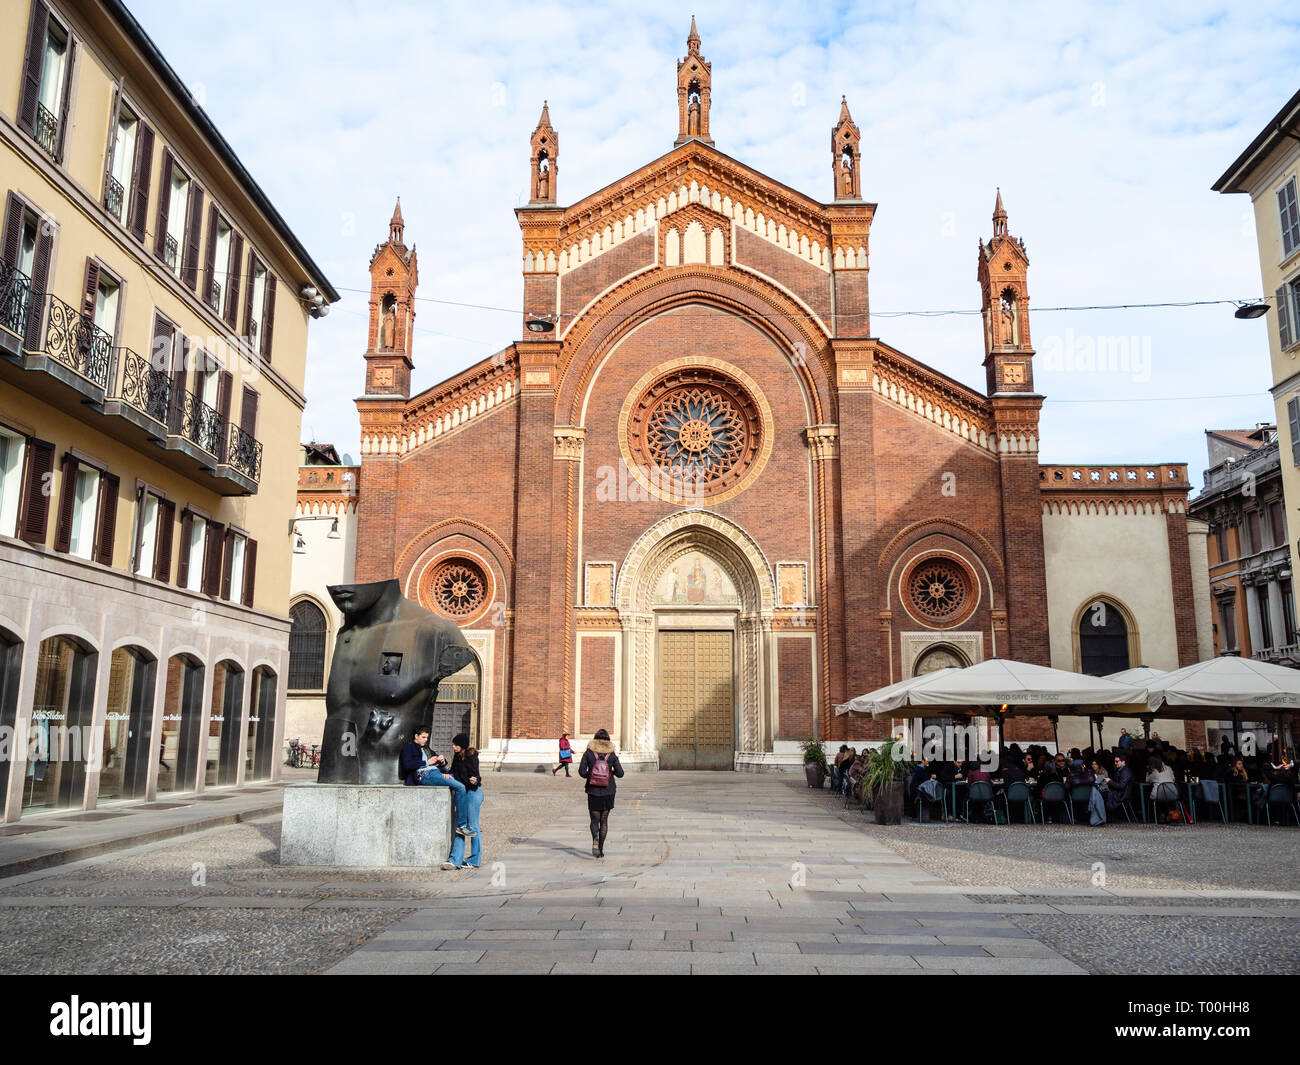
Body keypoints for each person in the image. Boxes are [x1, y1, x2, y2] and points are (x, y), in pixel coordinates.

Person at [401, 726, 472, 840]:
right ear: (416, 736)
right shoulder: (409, 747)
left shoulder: (427, 748)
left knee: (462, 780)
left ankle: (469, 821)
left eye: (427, 737)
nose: (425, 740)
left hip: (436, 773)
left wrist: (442, 760)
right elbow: (407, 764)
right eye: (423, 737)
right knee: (460, 787)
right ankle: (462, 825)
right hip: (424, 775)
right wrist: (426, 762)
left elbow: (440, 764)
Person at [578, 729, 624, 858]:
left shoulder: (588, 753)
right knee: (604, 821)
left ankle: (594, 839)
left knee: (594, 820)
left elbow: (581, 772)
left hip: (593, 791)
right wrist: (611, 772)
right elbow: (620, 773)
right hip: (608, 791)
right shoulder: (612, 755)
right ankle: (601, 850)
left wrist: (591, 776)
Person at [444, 734, 483, 870]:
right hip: (463, 793)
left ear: (462, 745)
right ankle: (455, 860)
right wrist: (448, 775)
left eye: (456, 745)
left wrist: (474, 780)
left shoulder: (472, 756)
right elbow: (454, 772)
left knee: (472, 826)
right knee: (461, 827)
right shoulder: (456, 757)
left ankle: (474, 860)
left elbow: (477, 776)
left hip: (473, 793)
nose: (453, 747)